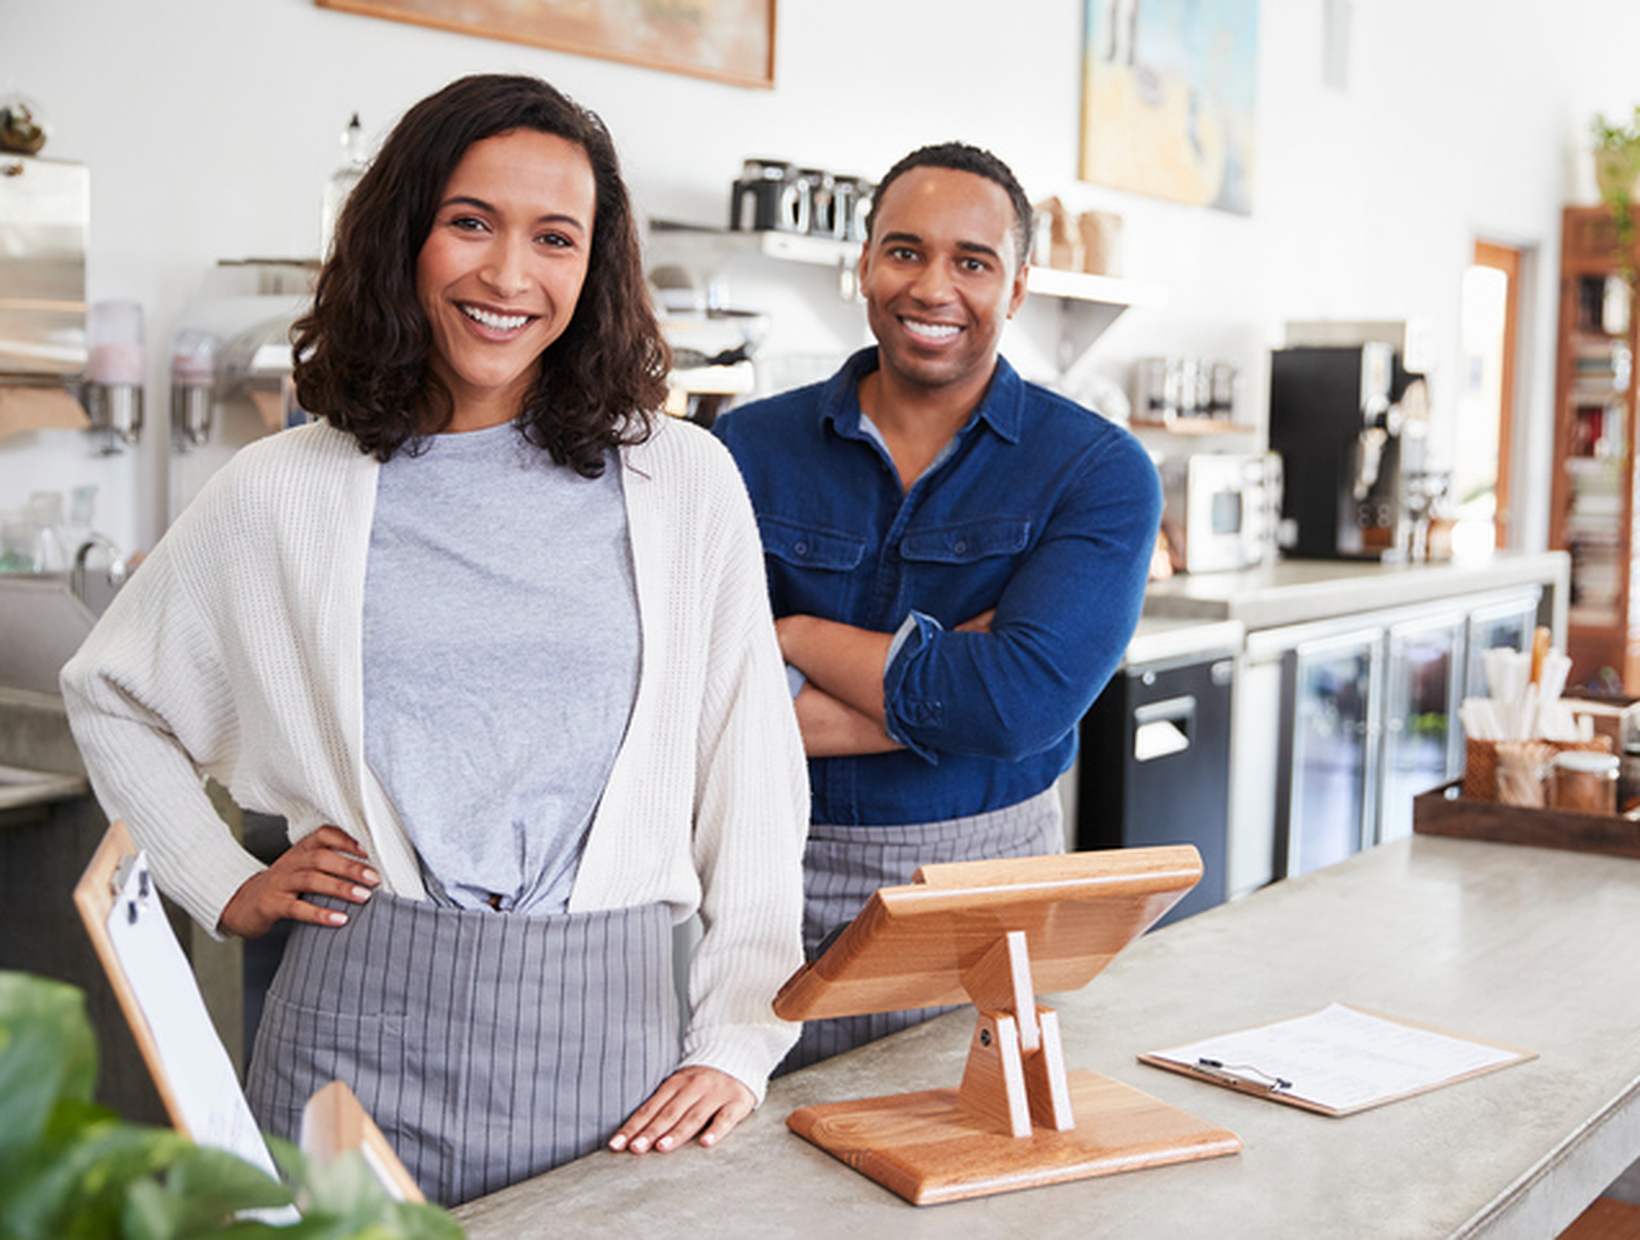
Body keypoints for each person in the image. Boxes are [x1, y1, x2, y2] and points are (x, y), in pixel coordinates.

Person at [60, 74, 806, 1205]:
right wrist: (220, 878)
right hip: (350, 1041)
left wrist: (738, 1035)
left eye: (554, 237)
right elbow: (111, 692)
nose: (508, 275)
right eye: (469, 223)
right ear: (403, 236)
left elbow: (749, 768)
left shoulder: (681, 479)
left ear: (591, 269)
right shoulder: (284, 487)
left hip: (612, 1045)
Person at [712, 142, 1161, 1070]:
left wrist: (791, 638)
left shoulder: (1098, 470)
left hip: (988, 889)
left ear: (1019, 285)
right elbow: (697, 697)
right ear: (863, 262)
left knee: (962, 1165)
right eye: (906, 251)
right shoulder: (743, 448)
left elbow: (1019, 705)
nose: (932, 287)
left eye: (973, 261)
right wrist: (950, 683)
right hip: (765, 872)